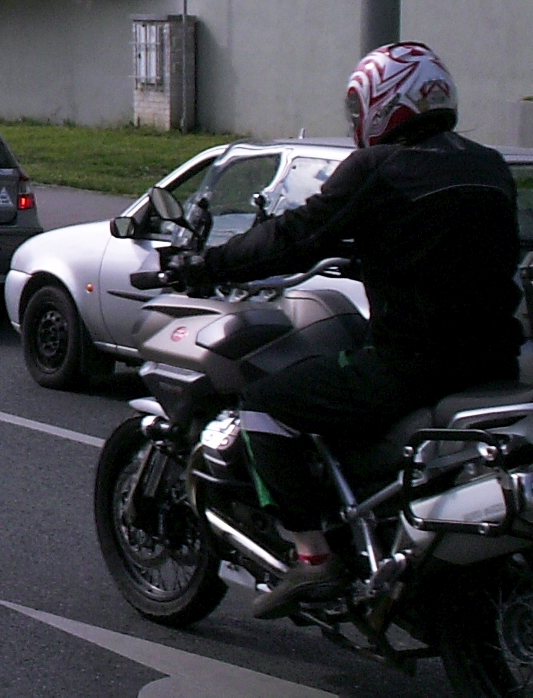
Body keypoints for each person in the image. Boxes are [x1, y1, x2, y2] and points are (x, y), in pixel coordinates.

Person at [176, 41, 521, 619]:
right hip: (493, 360)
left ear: (384, 103)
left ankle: (313, 556)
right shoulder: (487, 165)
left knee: (264, 402)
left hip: (411, 364)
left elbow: (295, 235)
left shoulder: (378, 169)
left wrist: (208, 264)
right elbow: (445, 248)